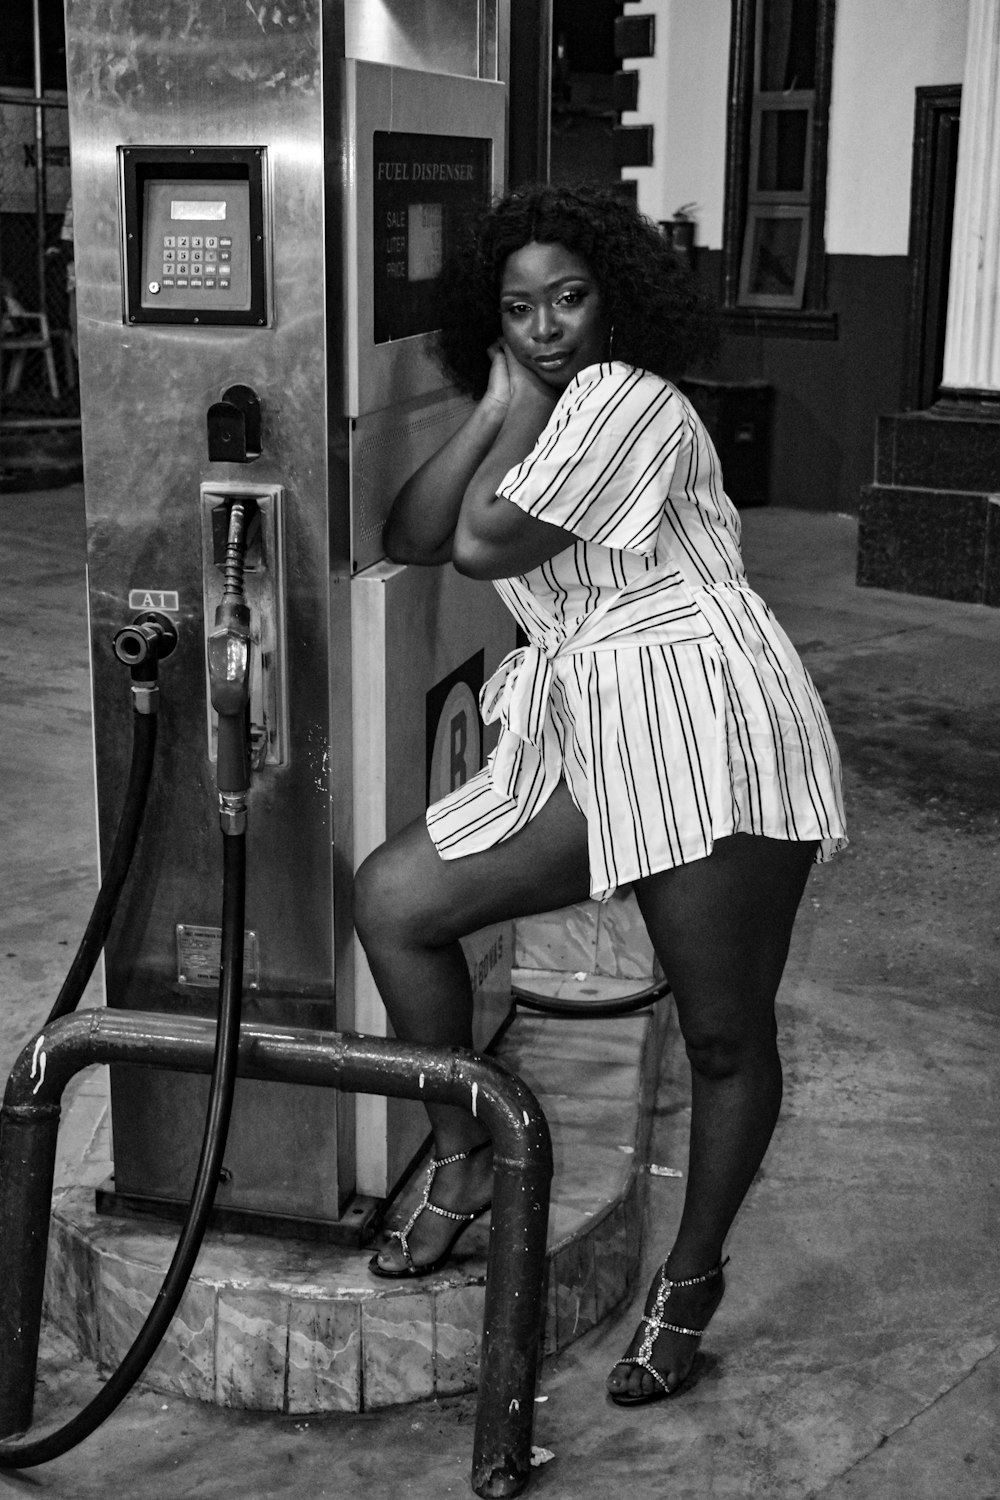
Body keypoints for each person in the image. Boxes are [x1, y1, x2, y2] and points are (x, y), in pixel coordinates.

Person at [353, 183, 847, 1407]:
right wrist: (495, 408)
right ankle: (463, 1161)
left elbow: (479, 547)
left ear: (612, 300)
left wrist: (513, 404)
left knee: (724, 1031)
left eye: (568, 298)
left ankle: (689, 1279)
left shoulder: (634, 401)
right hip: (585, 735)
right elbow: (412, 532)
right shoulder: (530, 399)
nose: (546, 327)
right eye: (517, 309)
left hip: (705, 722)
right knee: (396, 899)